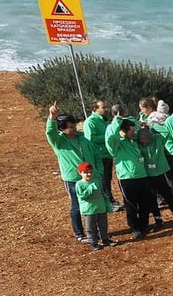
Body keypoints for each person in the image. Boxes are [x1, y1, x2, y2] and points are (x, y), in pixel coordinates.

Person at [46, 103, 99, 243]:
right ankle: (79, 234)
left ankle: (94, 231)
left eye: (74, 125)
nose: (74, 128)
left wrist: (98, 170)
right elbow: (50, 132)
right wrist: (52, 117)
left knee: (93, 204)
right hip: (73, 179)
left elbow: (95, 154)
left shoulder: (83, 138)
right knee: (77, 205)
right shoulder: (58, 142)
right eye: (70, 127)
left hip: (90, 176)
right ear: (62, 129)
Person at [105, 117, 154, 238]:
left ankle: (144, 224)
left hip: (142, 175)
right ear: (123, 131)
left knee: (144, 203)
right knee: (131, 205)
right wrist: (116, 121)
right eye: (132, 131)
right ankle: (135, 227)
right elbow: (110, 138)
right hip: (127, 178)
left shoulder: (135, 140)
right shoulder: (117, 144)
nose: (135, 132)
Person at [76, 163, 116, 250]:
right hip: (89, 210)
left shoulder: (96, 181)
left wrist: (107, 205)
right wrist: (90, 189)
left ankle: (105, 239)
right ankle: (93, 242)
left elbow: (103, 194)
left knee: (103, 225)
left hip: (101, 208)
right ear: (80, 173)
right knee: (91, 227)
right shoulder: (79, 184)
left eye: (90, 172)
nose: (89, 174)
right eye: (86, 172)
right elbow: (82, 196)